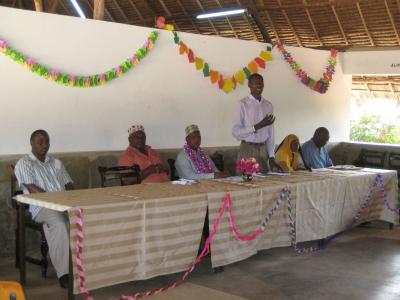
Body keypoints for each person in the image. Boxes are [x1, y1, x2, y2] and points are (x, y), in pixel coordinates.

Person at [14, 129, 73, 289]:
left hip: (64, 203)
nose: (45, 145)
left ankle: (83, 266)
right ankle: (64, 274)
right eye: (40, 142)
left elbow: (69, 184)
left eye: (47, 142)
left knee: (85, 218)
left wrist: (73, 200)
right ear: (32, 144)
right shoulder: (24, 163)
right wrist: (56, 203)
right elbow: (32, 188)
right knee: (60, 224)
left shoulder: (56, 162)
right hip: (41, 206)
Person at [232, 73, 282, 173]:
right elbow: (235, 132)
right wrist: (258, 126)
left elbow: (270, 134)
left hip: (263, 151)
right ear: (249, 85)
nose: (259, 85)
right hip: (247, 149)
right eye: (255, 83)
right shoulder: (242, 104)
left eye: (261, 83)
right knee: (247, 185)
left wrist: (272, 157)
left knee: (264, 184)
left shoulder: (268, 105)